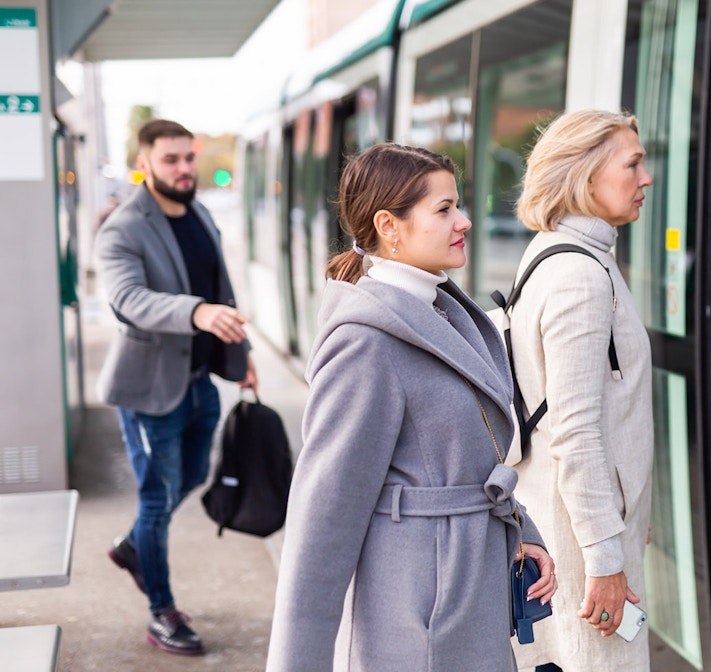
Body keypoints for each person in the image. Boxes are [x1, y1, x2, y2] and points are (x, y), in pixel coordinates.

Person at [265, 143, 557, 671]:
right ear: (388, 225)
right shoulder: (365, 342)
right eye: (443, 209)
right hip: (418, 618)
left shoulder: (442, 310)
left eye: (457, 204)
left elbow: (472, 459)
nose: (464, 221)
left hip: (465, 592)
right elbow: (322, 520)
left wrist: (520, 530)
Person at [95, 118, 258, 655]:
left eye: (189, 157)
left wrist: (241, 356)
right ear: (144, 164)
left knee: (190, 477)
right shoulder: (122, 229)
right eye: (171, 159)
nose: (185, 168)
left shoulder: (200, 213)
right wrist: (197, 313)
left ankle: (133, 547)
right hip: (149, 391)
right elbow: (129, 300)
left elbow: (220, 290)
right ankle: (161, 610)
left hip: (199, 380)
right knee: (155, 501)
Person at [507, 109, 655, 672]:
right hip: (581, 537)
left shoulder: (559, 253)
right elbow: (575, 429)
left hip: (576, 519)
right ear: (585, 174)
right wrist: (604, 557)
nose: (645, 178)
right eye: (633, 164)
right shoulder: (581, 276)